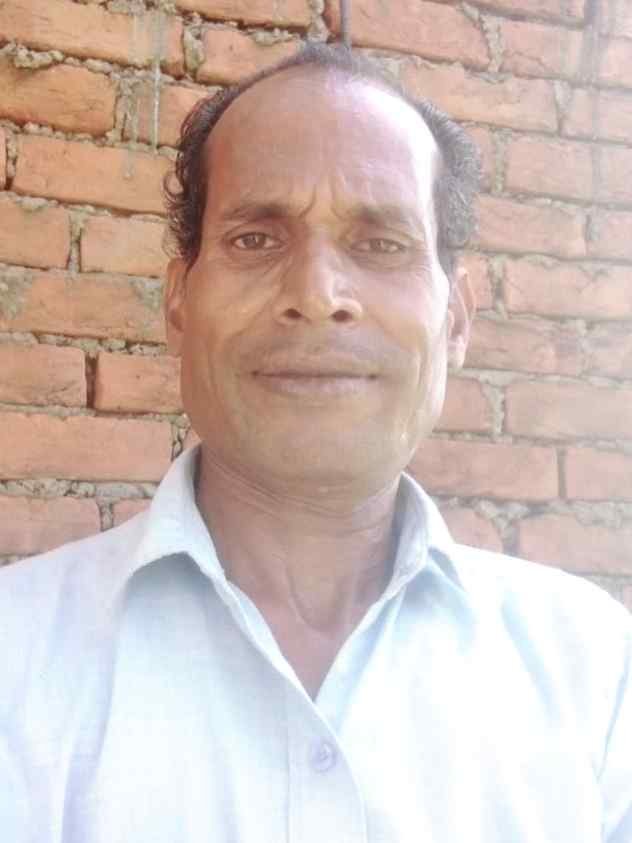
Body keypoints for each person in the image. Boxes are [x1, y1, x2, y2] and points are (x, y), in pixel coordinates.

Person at [1, 43, 630, 843]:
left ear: (457, 318)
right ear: (177, 304)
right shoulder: (15, 657)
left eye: (381, 243)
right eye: (256, 240)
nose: (317, 294)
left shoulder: (594, 675)